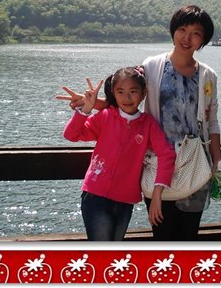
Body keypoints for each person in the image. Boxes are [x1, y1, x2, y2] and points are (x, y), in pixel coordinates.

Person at [60, 5, 221, 241]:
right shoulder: (152, 66)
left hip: (195, 165)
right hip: (158, 166)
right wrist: (92, 105)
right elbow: (128, 96)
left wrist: (218, 161)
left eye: (196, 33)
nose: (187, 38)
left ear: (203, 39)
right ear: (173, 31)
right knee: (163, 236)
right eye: (182, 30)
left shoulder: (208, 76)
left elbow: (212, 121)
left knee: (189, 236)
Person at [63, 66, 176, 241]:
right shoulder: (106, 116)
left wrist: (157, 195)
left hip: (125, 200)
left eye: (133, 91)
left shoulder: (147, 124)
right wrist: (85, 110)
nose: (127, 98)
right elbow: (71, 135)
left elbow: (167, 154)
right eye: (120, 92)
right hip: (95, 195)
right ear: (113, 93)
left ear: (143, 93)